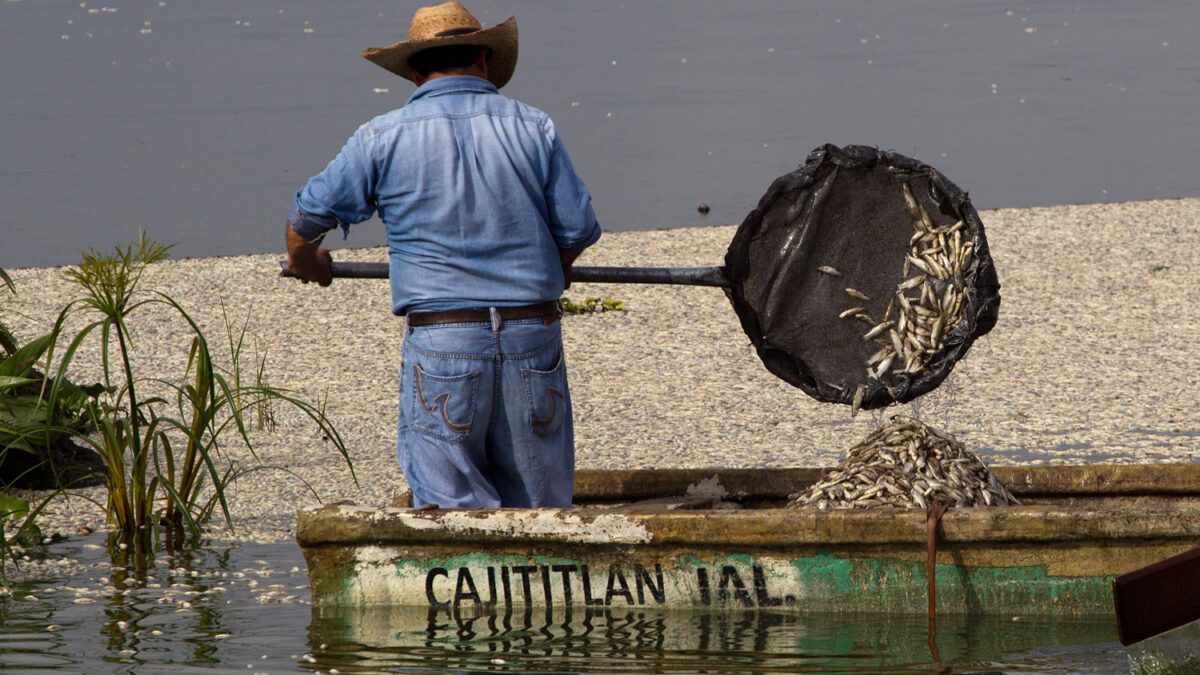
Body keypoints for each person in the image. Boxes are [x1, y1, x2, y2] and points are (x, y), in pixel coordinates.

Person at [285, 2, 601, 509]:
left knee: (453, 508)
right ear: (483, 58)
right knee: (540, 505)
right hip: (531, 335)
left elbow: (305, 224)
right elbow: (578, 227)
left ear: (413, 72)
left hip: (443, 339)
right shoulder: (532, 126)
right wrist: (557, 271)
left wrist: (309, 266)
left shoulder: (381, 136)